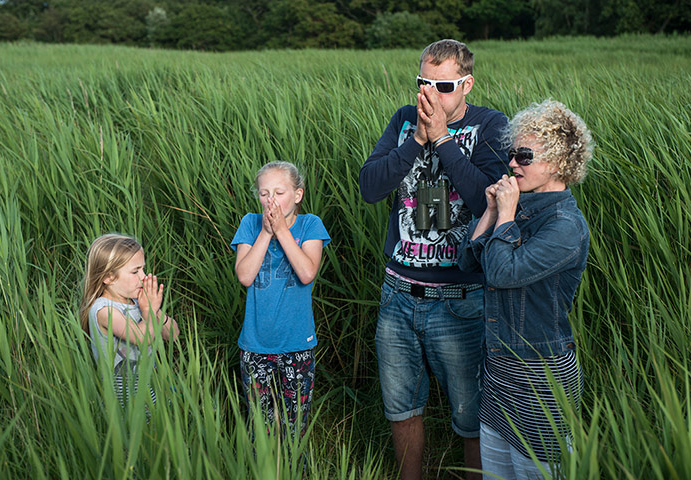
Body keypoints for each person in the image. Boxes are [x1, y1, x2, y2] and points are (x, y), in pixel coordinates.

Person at [359, 39, 508, 480]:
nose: (430, 95)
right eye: (423, 82)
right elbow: (370, 187)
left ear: (467, 84)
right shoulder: (405, 120)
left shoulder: (489, 125)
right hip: (399, 292)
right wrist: (416, 141)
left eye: (443, 86)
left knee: (471, 415)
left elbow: (489, 205)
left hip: (459, 297)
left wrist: (442, 139)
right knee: (401, 407)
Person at [459, 99, 594, 479]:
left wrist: (504, 214)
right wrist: (489, 211)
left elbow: (502, 272)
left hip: (541, 375)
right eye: (511, 153)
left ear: (557, 162)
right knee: (497, 473)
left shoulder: (566, 226)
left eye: (524, 155)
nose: (512, 163)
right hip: (500, 367)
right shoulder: (517, 206)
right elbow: (467, 264)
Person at [231, 161, 330, 439]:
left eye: (279, 192)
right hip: (255, 344)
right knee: (259, 427)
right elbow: (245, 276)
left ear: (297, 195)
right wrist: (266, 232)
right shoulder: (250, 224)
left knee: (294, 425)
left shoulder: (310, 225)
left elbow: (307, 272)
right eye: (264, 194)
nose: (270, 200)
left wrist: (282, 231)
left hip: (297, 344)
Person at [79, 233, 179, 407]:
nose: (144, 276)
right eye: (135, 271)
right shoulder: (104, 310)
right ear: (108, 277)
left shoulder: (137, 301)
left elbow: (173, 335)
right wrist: (149, 310)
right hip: (124, 396)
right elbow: (142, 339)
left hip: (151, 383)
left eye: (143, 269)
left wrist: (154, 311)